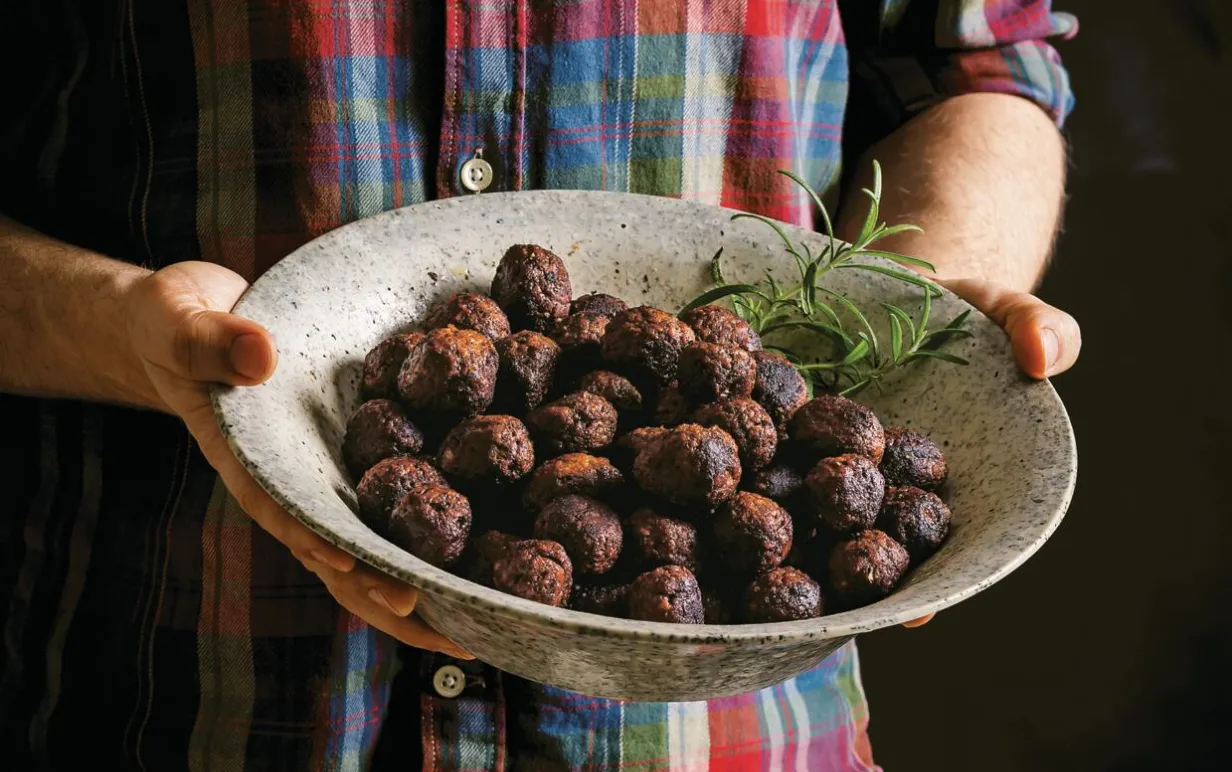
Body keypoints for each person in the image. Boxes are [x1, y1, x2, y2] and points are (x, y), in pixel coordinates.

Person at [0, 1, 1082, 769]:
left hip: (730, 738)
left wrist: (906, 314)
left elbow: (974, 64)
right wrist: (113, 325)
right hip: (180, 697)